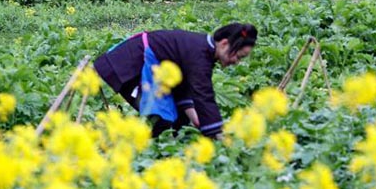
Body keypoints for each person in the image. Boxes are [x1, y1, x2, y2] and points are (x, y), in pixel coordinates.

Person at [93, 23, 258, 138]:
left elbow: (183, 87)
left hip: (141, 67)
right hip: (127, 66)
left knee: (180, 119)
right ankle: (149, 157)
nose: (236, 62)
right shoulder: (200, 54)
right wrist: (217, 134)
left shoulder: (201, 49)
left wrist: (195, 118)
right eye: (238, 56)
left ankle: (164, 155)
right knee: (161, 120)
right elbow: (203, 94)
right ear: (224, 44)